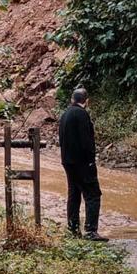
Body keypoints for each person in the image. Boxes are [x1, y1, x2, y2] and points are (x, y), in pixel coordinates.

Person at [58, 88, 108, 241]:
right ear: (86, 101)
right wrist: (91, 160)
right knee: (93, 194)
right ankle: (91, 230)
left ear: (72, 99)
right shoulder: (82, 114)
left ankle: (73, 229)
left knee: (74, 194)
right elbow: (86, 141)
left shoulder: (65, 114)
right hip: (82, 162)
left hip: (68, 161)